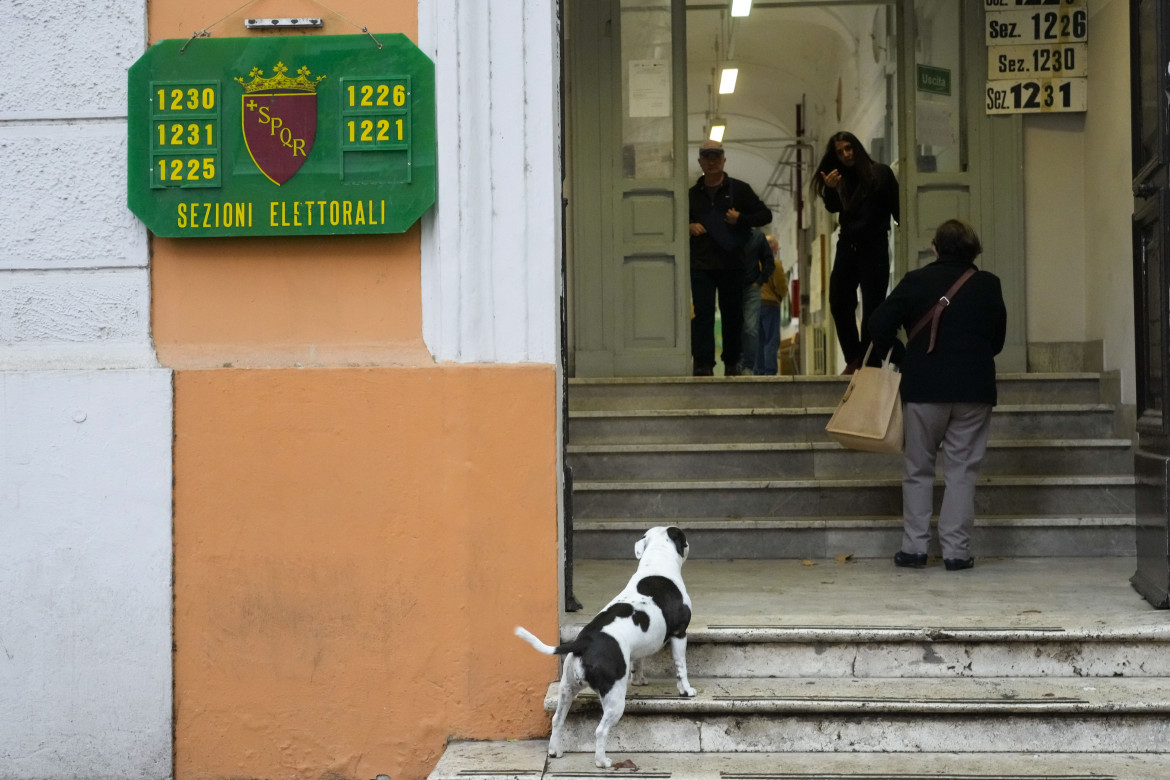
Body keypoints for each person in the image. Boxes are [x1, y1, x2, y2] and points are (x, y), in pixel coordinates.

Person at [868, 218, 1007, 571]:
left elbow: (877, 325)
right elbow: (998, 340)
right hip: (973, 391)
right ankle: (956, 553)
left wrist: (903, 355)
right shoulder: (988, 285)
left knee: (918, 469)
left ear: (934, 248)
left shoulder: (916, 281)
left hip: (924, 388)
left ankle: (914, 549)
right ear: (974, 250)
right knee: (962, 471)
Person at [811, 131, 899, 374]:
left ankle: (869, 363)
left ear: (857, 148)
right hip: (848, 245)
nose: (846, 154)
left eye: (849, 148)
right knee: (839, 300)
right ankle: (854, 358)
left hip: (875, 246)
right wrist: (831, 189)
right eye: (840, 152)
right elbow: (834, 208)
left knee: (873, 307)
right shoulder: (840, 179)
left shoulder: (881, 173)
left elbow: (898, 208)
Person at [688, 139, 773, 376]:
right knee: (702, 314)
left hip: (733, 263)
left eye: (716, 156)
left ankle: (732, 362)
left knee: (732, 315)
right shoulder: (692, 195)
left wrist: (741, 219)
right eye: (707, 157)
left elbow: (765, 215)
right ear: (700, 162)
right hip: (701, 264)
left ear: (724, 160)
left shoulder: (740, 190)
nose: (712, 161)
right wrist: (688, 226)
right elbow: (673, 221)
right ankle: (703, 364)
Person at [738, 228, 775, 376]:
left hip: (751, 287)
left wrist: (759, 281)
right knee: (738, 327)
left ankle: (748, 365)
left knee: (750, 328)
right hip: (733, 287)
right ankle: (738, 363)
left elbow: (769, 264)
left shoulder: (757, 237)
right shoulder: (728, 234)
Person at [755, 234, 788, 376]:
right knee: (771, 340)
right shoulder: (774, 263)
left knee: (758, 340)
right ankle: (770, 372)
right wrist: (780, 296)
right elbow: (780, 285)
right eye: (776, 248)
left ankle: (758, 371)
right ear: (771, 248)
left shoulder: (751, 263)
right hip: (770, 304)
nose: (776, 251)